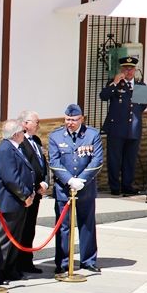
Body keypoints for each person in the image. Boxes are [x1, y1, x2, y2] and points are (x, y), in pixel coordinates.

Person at [50, 104, 103, 274]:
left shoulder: (92, 135)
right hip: (64, 190)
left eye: (73, 120)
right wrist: (70, 180)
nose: (70, 123)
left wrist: (82, 180)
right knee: (63, 226)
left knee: (87, 224)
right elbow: (54, 162)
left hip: (85, 189)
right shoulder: (56, 136)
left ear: (82, 119)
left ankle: (88, 260)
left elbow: (97, 161)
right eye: (67, 119)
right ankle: (63, 261)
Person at [0, 119, 35, 285]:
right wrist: (25, 195)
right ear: (17, 134)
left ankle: (10, 269)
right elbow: (11, 178)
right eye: (22, 132)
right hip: (8, 202)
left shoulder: (15, 147)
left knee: (15, 239)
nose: (24, 135)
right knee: (4, 241)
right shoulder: (5, 149)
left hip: (17, 203)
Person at [100, 57, 145, 196]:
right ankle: (114, 186)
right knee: (114, 159)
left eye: (131, 68)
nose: (128, 71)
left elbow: (141, 107)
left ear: (135, 70)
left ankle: (127, 185)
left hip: (133, 129)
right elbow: (103, 96)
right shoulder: (115, 85)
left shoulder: (141, 86)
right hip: (116, 128)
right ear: (121, 70)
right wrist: (114, 83)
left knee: (130, 160)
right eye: (125, 68)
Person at [16, 111, 48, 274]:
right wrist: (33, 187)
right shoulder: (19, 141)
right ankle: (17, 263)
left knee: (30, 229)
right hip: (26, 194)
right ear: (25, 123)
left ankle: (27, 261)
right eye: (36, 122)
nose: (38, 125)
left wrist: (45, 182)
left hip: (37, 192)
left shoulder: (36, 140)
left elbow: (43, 163)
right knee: (21, 229)